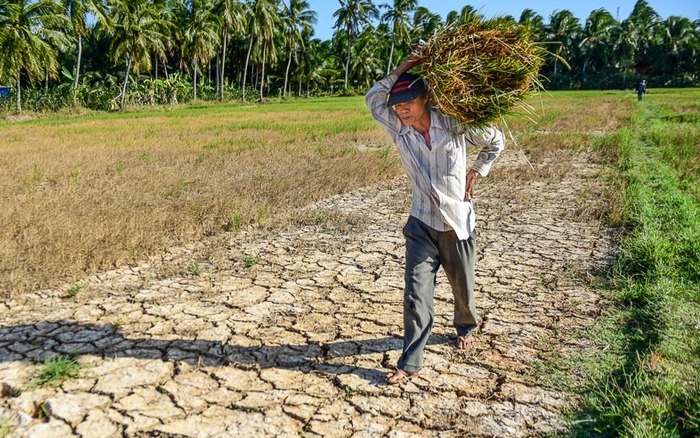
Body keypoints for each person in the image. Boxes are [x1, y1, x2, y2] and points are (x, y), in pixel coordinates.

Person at [365, 55, 505, 385]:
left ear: (425, 98)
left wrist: (477, 170)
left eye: (408, 102)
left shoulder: (455, 125)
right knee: (415, 294)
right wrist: (406, 66)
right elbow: (373, 98)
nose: (401, 110)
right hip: (421, 224)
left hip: (457, 224)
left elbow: (496, 140)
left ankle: (466, 327)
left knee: (463, 289)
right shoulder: (400, 130)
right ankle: (410, 361)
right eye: (397, 104)